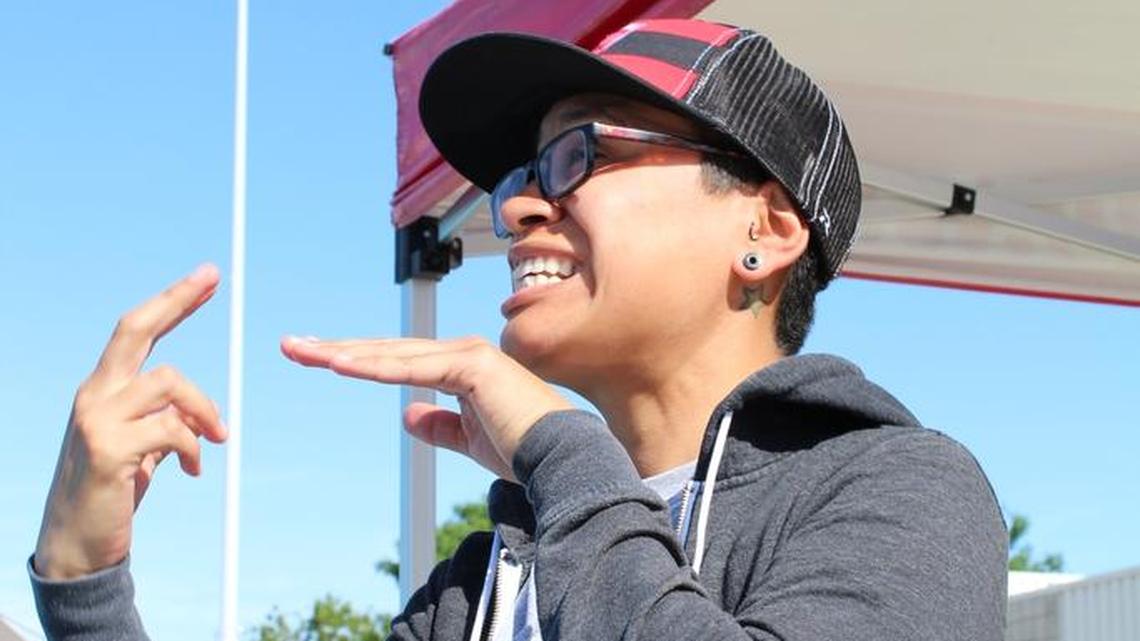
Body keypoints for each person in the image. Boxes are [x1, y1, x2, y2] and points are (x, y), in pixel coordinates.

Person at [30, 17, 1007, 641]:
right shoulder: (487, 574)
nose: (523, 212)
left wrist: (555, 442)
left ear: (765, 229)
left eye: (578, 153)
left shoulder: (903, 491)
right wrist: (85, 576)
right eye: (519, 180)